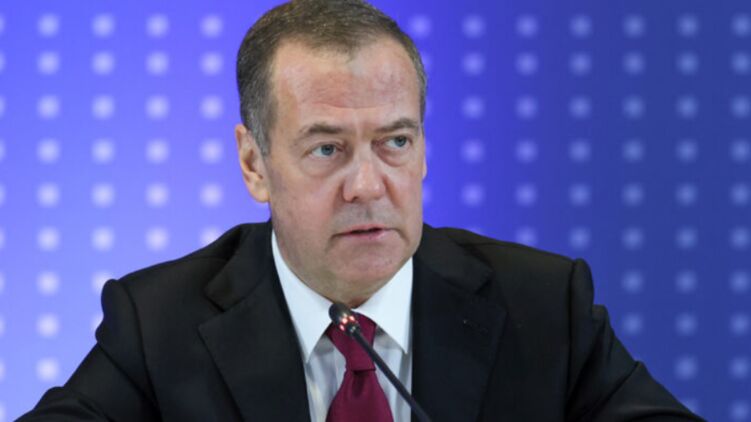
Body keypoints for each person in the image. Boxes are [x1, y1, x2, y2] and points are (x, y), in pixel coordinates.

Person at [20, 0, 704, 421]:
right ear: (254, 164)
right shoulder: (159, 321)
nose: (368, 186)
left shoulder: (544, 304)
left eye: (394, 142)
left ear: (424, 149)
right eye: (327, 149)